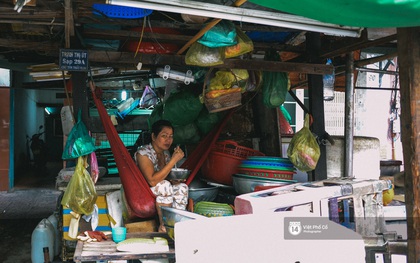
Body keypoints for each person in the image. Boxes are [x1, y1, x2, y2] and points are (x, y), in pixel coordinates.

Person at [134, 119, 188, 232]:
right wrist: (173, 161)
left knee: (182, 187)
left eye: (171, 136)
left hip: (161, 190)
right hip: (143, 192)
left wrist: (177, 179)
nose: (168, 140)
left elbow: (166, 175)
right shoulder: (143, 153)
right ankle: (165, 226)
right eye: (164, 136)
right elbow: (152, 181)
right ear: (154, 137)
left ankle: (178, 224)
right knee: (165, 185)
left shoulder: (166, 154)